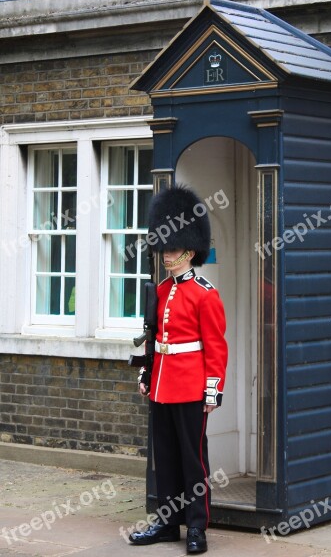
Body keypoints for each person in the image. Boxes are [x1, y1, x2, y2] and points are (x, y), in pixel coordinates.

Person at [129, 185, 228, 554]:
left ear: (189, 250)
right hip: (162, 384)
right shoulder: (161, 291)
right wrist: (145, 375)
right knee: (166, 459)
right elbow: (154, 338)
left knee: (193, 459)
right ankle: (168, 523)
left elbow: (216, 346)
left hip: (190, 387)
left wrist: (212, 390)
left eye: (172, 249)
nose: (166, 255)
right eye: (164, 248)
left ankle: (198, 527)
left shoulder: (205, 294)